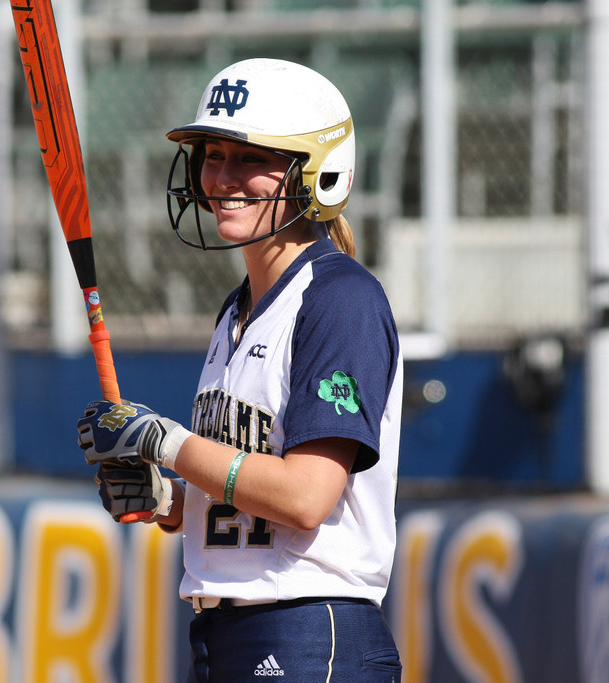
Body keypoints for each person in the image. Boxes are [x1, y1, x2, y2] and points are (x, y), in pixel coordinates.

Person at [77, 58, 403, 682]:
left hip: (309, 630)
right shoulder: (239, 308)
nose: (223, 177)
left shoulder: (340, 299)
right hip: (227, 634)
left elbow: (306, 497)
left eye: (250, 159)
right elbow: (244, 487)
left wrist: (163, 440)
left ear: (315, 173)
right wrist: (169, 500)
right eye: (213, 155)